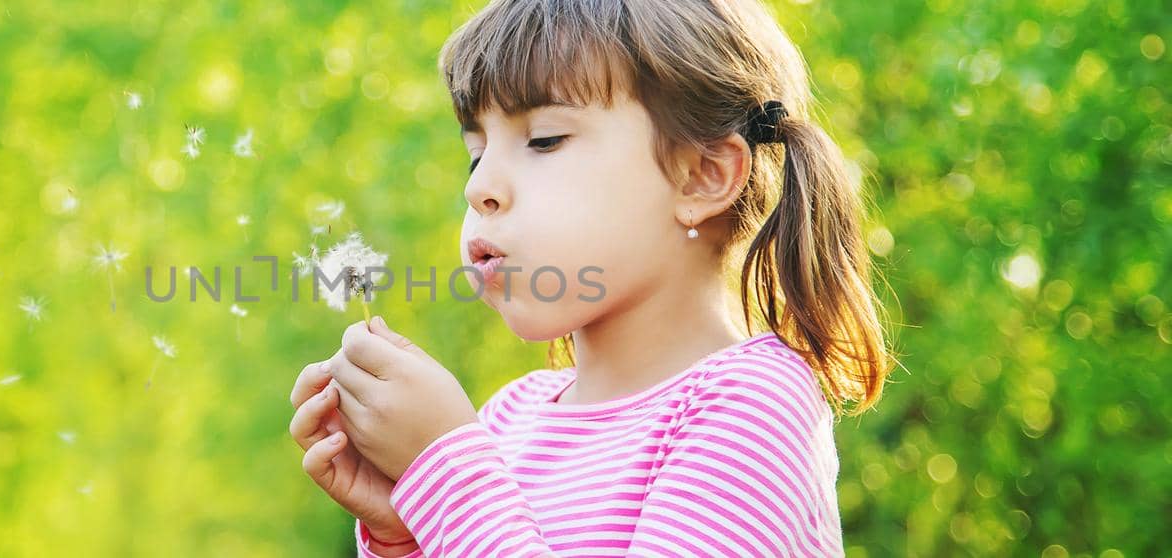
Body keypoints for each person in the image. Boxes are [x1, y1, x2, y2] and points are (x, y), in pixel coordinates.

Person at [288, 0, 893, 555]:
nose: (479, 187)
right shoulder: (507, 420)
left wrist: (444, 474)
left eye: (544, 140)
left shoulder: (753, 403)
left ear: (702, 176)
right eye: (476, 153)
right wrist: (405, 532)